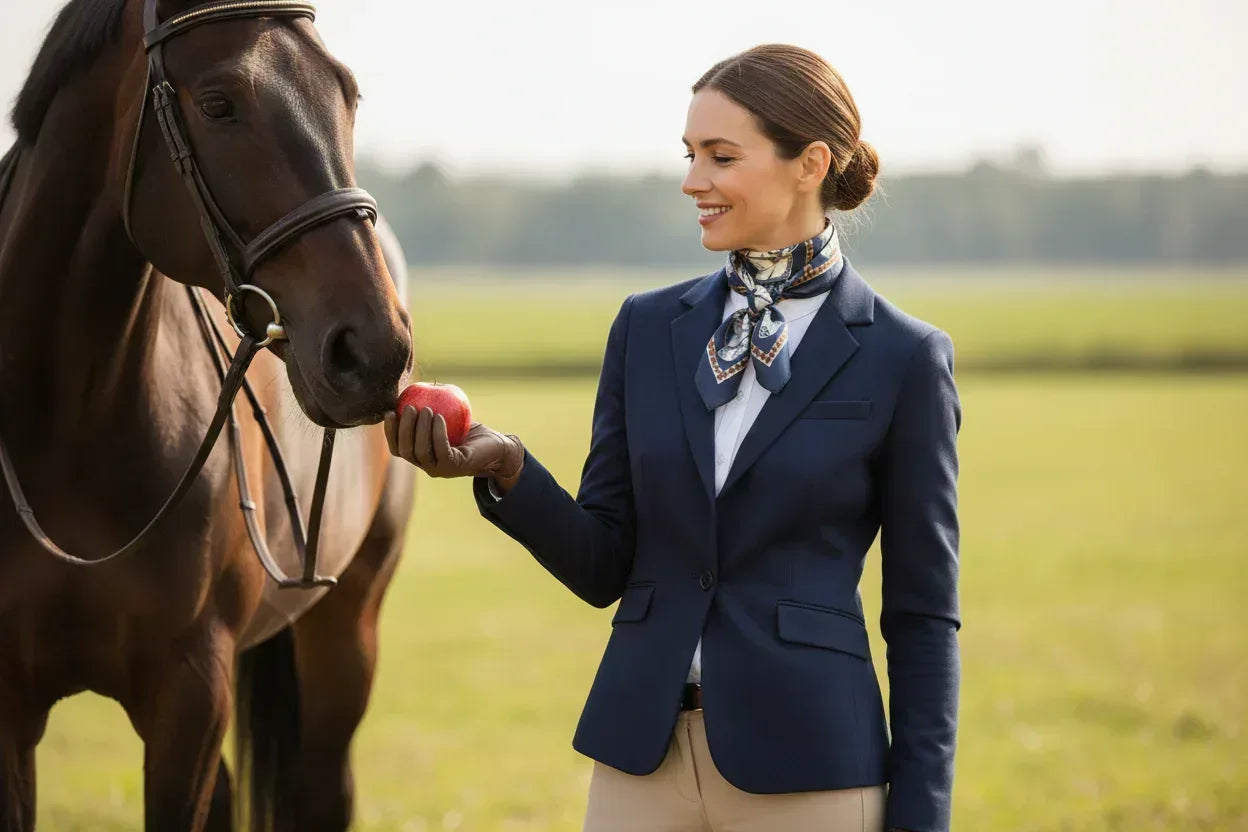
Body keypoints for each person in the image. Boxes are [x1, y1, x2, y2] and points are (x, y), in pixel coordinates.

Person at [385, 43, 962, 832]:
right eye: (690, 155)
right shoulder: (648, 328)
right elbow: (604, 563)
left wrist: (922, 814)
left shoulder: (905, 357)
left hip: (812, 769)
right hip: (641, 761)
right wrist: (508, 466)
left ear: (811, 162)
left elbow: (924, 616)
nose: (694, 181)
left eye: (721, 156)